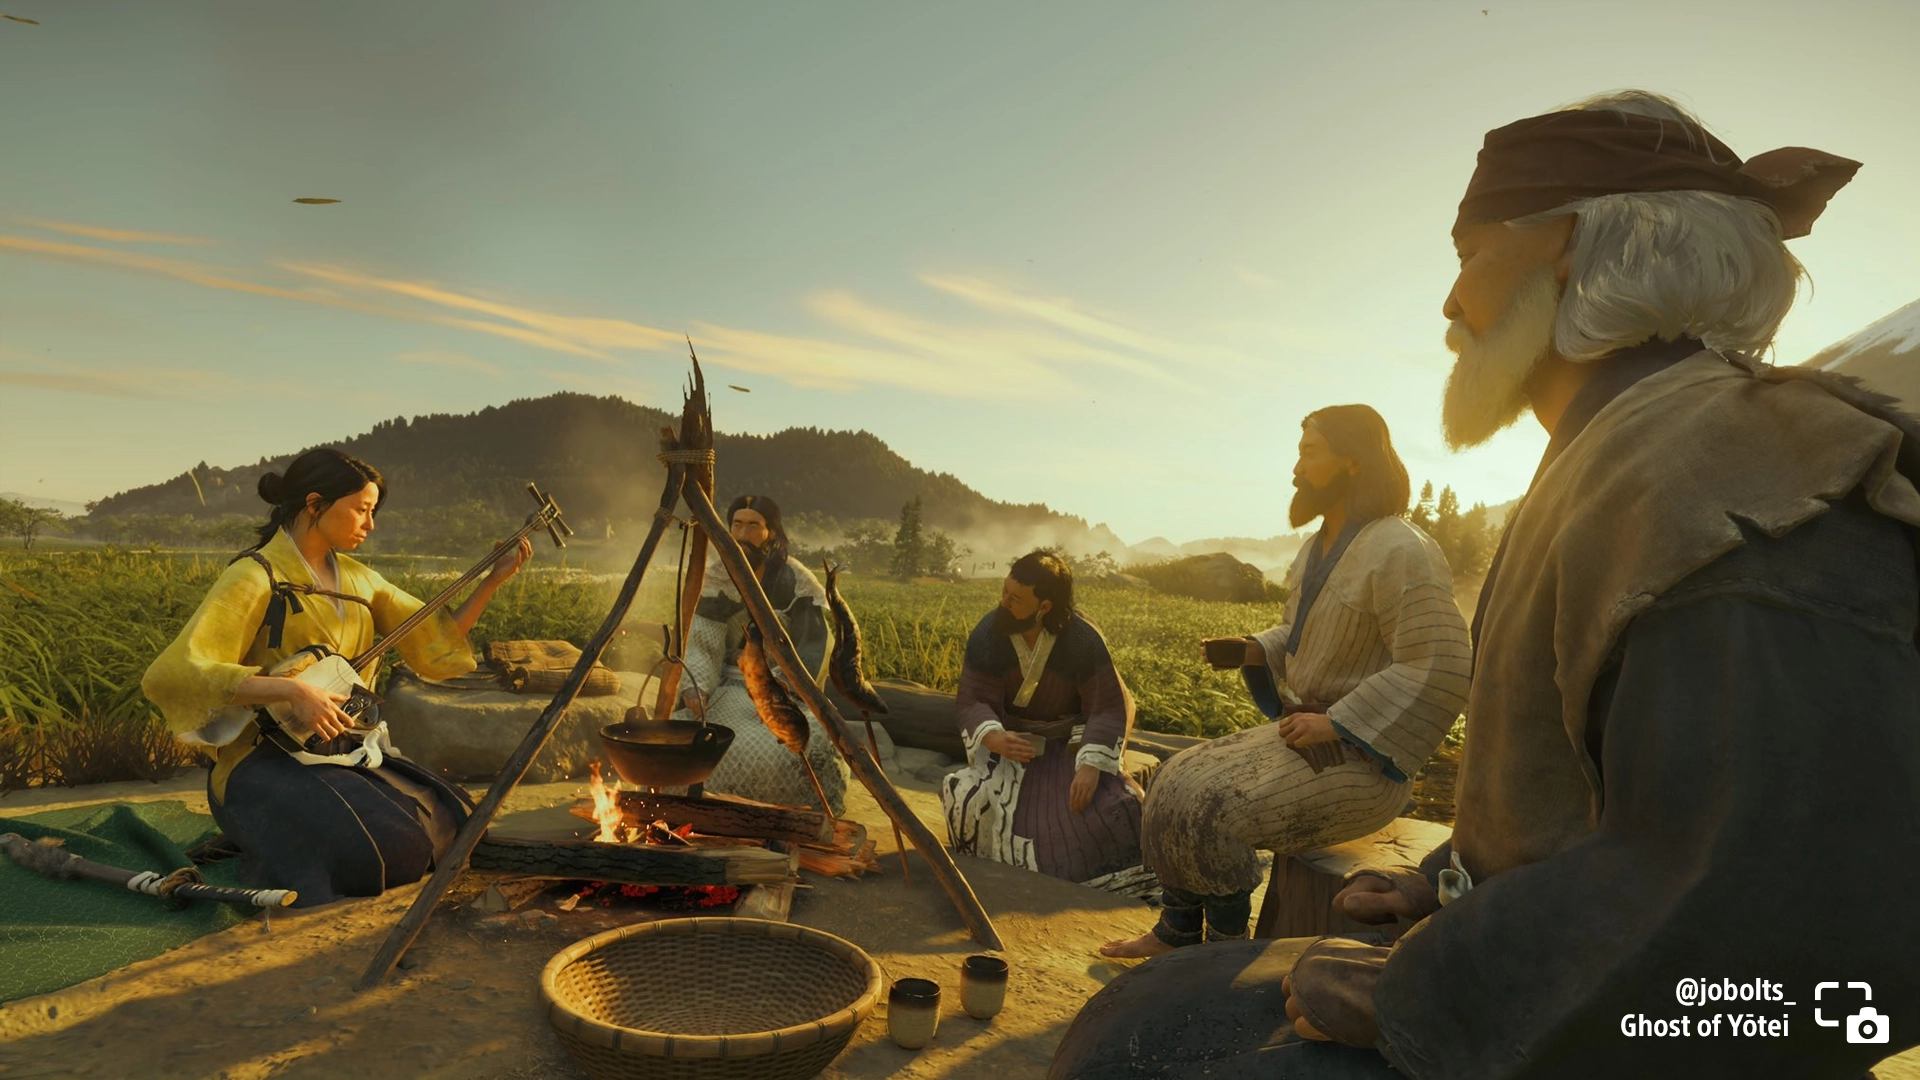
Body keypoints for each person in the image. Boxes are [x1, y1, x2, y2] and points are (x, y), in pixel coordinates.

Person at [1051, 90, 1920, 1079]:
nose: (1451, 302)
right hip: (1539, 968)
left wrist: (1438, 989)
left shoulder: (1735, 481)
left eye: (1468, 253)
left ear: (1567, 248)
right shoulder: (1619, 452)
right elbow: (1589, 809)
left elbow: (1795, 927)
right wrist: (1448, 883)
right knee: (1143, 1015)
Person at [1100, 405, 1471, 958]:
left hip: (1359, 760)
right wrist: (1254, 649)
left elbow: (1439, 660)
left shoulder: (1401, 549)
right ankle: (1175, 931)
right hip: (1302, 735)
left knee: (1215, 810)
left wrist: (1337, 723)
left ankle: (1221, 952)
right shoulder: (1315, 547)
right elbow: (1304, 634)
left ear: (1351, 461)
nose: (1297, 468)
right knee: (1172, 777)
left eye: (1308, 452)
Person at [142, 447, 530, 908]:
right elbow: (175, 673)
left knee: (458, 820)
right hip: (262, 762)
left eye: (373, 512)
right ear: (314, 504)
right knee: (392, 849)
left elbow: (432, 640)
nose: (370, 524)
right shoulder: (255, 576)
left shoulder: (361, 581)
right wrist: (289, 689)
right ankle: (258, 834)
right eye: (362, 510)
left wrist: (491, 580)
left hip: (342, 750)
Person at [940, 549, 1148, 892]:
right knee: (969, 799)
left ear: (1045, 607)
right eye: (1005, 592)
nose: (1004, 602)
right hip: (1012, 746)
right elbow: (974, 698)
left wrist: (1092, 766)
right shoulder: (988, 634)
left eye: (1016, 598)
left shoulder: (1082, 640)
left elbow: (1107, 707)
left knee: (1118, 807)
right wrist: (993, 736)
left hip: (1072, 746)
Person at [672, 494, 849, 814]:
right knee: (687, 735)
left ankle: (791, 815)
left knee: (802, 745)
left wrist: (777, 694)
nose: (742, 534)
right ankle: (700, 809)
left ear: (772, 533)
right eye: (736, 524)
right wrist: (695, 686)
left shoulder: (797, 582)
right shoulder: (716, 577)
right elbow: (703, 641)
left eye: (754, 526)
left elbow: (812, 648)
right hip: (727, 687)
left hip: (782, 690)